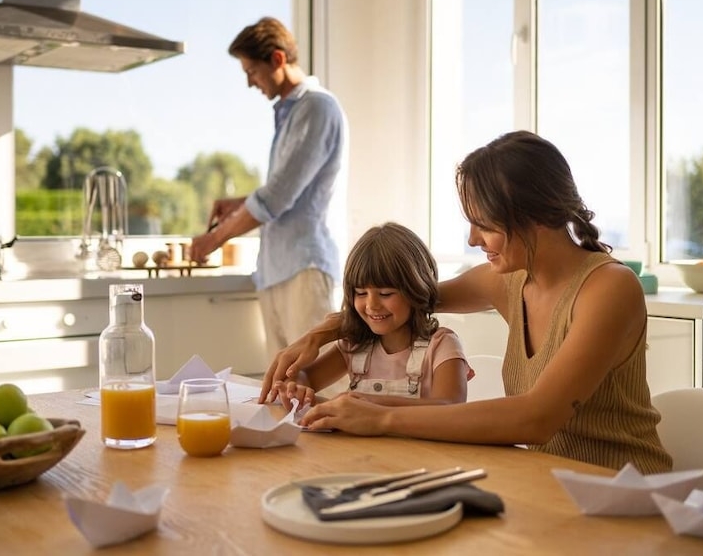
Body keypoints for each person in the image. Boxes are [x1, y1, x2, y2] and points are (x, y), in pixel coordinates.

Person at [260, 130, 673, 474]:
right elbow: (402, 297)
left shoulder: (609, 288)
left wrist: (381, 416)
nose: (473, 240)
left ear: (532, 216)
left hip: (623, 495)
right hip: (545, 483)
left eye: (483, 225)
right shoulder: (507, 279)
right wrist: (318, 335)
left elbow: (535, 418)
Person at [190, 17, 348, 364]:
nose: (250, 83)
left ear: (277, 59)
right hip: (278, 272)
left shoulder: (317, 107)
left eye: (252, 71)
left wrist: (214, 239)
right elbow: (287, 193)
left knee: (318, 393)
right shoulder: (291, 114)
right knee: (283, 391)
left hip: (303, 271)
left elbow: (276, 198)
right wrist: (239, 204)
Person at [271, 222, 473, 408]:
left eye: (385, 294)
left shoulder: (442, 345)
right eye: (361, 293)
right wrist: (296, 387)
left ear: (416, 290)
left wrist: (370, 405)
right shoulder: (356, 345)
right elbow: (306, 377)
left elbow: (450, 406)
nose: (372, 305)